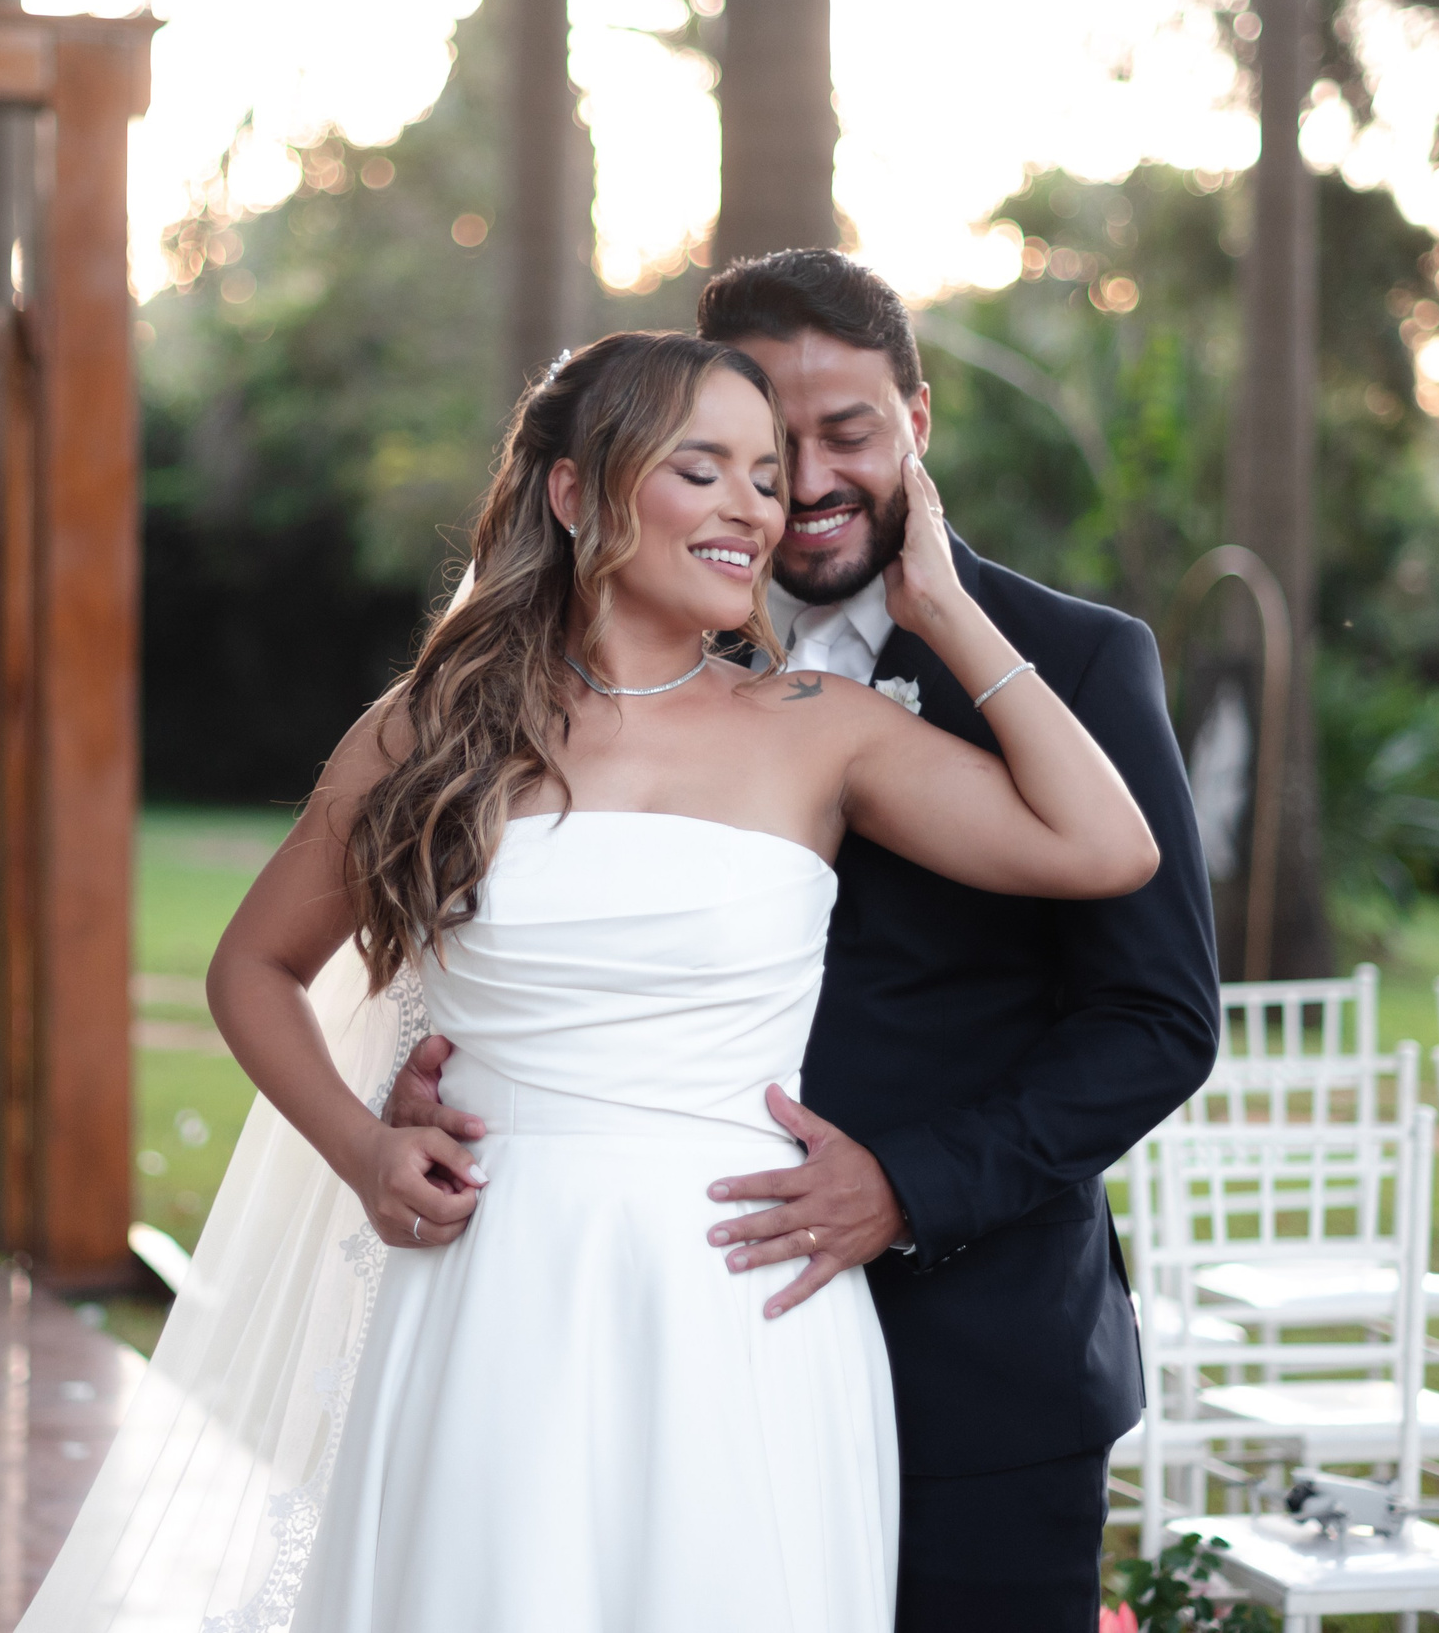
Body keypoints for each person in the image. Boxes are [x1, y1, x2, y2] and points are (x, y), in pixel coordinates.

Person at [178, 327, 1157, 1632]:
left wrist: (948, 609)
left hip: (741, 1296)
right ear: (573, 490)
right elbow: (253, 967)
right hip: (491, 1290)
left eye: (766, 477)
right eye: (704, 469)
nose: (755, 507)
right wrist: (363, 1150)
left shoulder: (818, 730)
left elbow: (1106, 846)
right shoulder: (432, 728)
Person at [392, 253, 1222, 1630]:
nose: (810, 480)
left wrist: (909, 1186)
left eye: (851, 433)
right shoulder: (625, 665)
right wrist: (448, 1077)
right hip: (663, 1339)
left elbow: (1160, 1021)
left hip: (977, 1360)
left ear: (918, 422)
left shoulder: (1073, 661)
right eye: (773, 446)